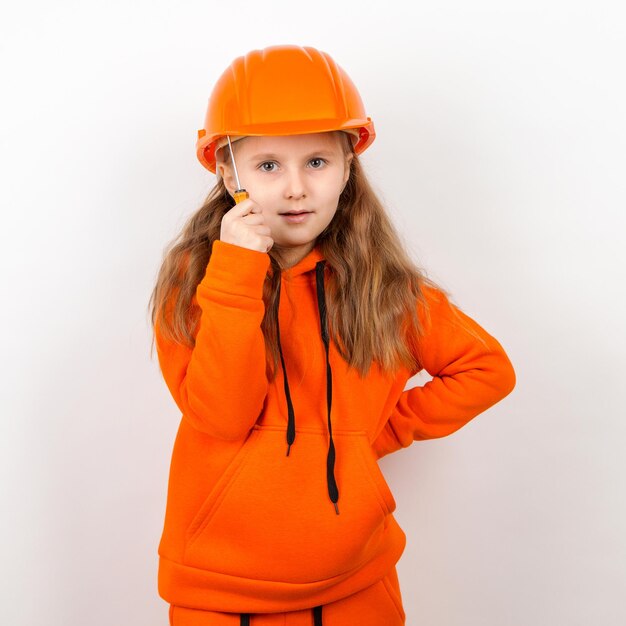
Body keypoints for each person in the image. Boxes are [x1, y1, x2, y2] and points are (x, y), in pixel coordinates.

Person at [148, 44, 516, 626]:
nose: (296, 189)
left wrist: (367, 434)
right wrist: (238, 272)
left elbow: (487, 369)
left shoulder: (386, 289)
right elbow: (222, 416)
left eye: (317, 162)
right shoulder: (196, 283)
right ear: (227, 171)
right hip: (217, 593)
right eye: (268, 165)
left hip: (356, 585)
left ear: (349, 164)